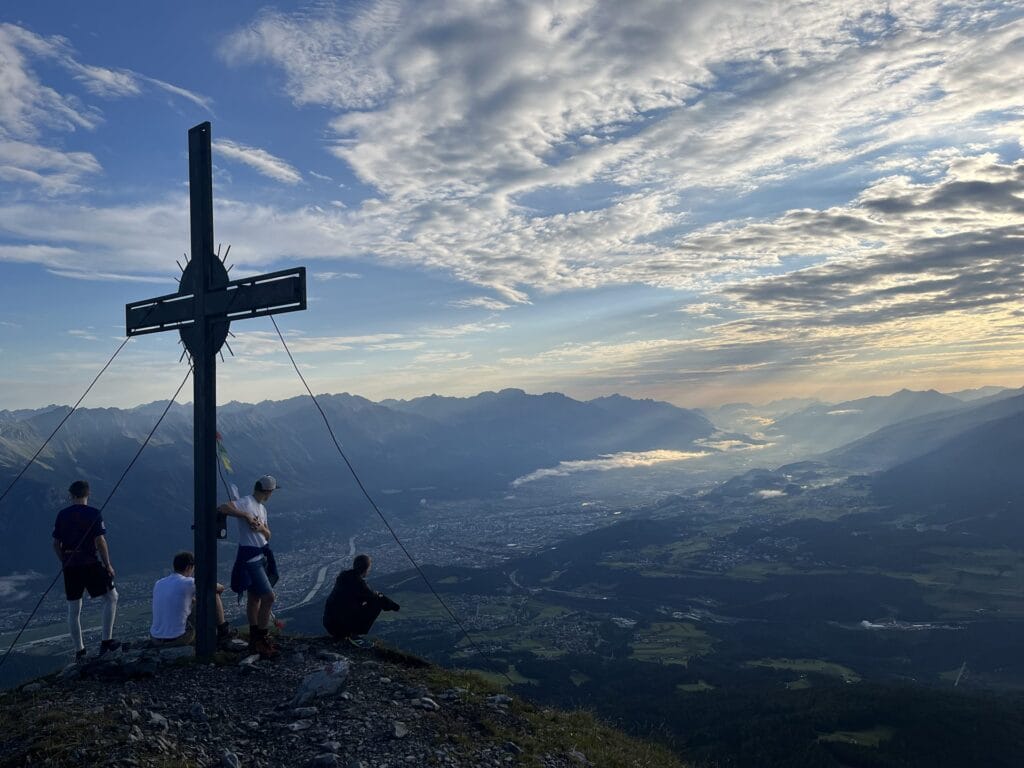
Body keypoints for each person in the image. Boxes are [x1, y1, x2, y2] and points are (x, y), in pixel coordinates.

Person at [52, 480, 120, 661]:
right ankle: (107, 641)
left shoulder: (62, 515)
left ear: (71, 495)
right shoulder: (93, 513)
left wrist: (65, 560)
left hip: (70, 565)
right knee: (111, 597)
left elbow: (55, 544)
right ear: (87, 494)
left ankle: (79, 651)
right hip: (89, 562)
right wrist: (108, 565)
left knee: (73, 609)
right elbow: (100, 541)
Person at [218, 475, 279, 657]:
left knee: (255, 599)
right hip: (251, 558)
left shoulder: (262, 508)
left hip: (261, 555)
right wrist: (244, 515)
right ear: (267, 491)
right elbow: (223, 508)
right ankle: (262, 637)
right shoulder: (246, 502)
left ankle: (254, 638)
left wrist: (261, 528)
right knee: (269, 597)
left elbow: (268, 535)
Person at [150, 551, 233, 646]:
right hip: (179, 638)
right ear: (189, 567)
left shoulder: (159, 583)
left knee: (192, 602)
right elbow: (220, 587)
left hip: (155, 638)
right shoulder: (189, 582)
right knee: (213, 594)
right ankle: (223, 631)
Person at [322, 554, 400, 648]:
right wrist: (394, 606)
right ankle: (353, 635)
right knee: (376, 603)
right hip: (341, 626)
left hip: (329, 623)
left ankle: (347, 633)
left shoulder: (343, 577)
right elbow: (376, 596)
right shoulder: (359, 584)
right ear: (367, 568)